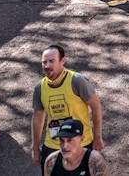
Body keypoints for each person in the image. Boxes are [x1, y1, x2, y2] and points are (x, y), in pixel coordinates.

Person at [31, 45, 104, 174]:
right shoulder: (40, 88)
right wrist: (35, 148)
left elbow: (96, 106)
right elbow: (37, 117)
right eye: (44, 62)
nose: (47, 65)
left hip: (80, 145)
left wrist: (97, 137)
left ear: (62, 61)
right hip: (53, 146)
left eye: (51, 61)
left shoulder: (76, 81)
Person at [42, 119, 109, 176]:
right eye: (61, 140)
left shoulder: (94, 160)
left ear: (82, 139)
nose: (65, 146)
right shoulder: (51, 161)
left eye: (70, 140)